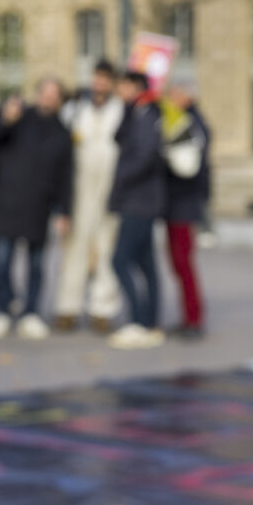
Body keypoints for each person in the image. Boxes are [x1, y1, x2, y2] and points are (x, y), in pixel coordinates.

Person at [0, 79, 73, 341]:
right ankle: (2, 309)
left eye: (54, 95)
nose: (48, 99)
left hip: (38, 207)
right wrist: (5, 121)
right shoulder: (17, 119)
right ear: (37, 94)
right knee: (0, 262)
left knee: (36, 265)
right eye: (45, 93)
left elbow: (66, 176)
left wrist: (65, 211)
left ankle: (30, 312)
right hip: (6, 203)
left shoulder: (61, 132)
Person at [53, 59, 124, 333]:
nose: (100, 83)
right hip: (80, 189)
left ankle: (102, 309)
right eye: (97, 77)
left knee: (106, 248)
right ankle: (68, 307)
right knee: (75, 247)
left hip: (110, 188)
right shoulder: (75, 110)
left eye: (105, 78)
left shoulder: (121, 111)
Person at [107, 71, 166, 350]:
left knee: (120, 260)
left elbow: (144, 156)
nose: (119, 90)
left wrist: (120, 178)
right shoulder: (135, 112)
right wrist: (126, 110)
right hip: (138, 199)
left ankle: (139, 321)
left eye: (123, 85)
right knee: (146, 263)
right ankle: (150, 322)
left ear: (135, 87)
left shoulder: (148, 114)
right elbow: (117, 137)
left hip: (140, 201)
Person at [160, 82, 211, 339]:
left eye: (174, 95)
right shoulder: (186, 121)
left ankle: (194, 318)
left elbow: (191, 165)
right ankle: (188, 316)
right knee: (178, 263)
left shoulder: (191, 123)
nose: (170, 99)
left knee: (184, 263)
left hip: (184, 202)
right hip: (177, 202)